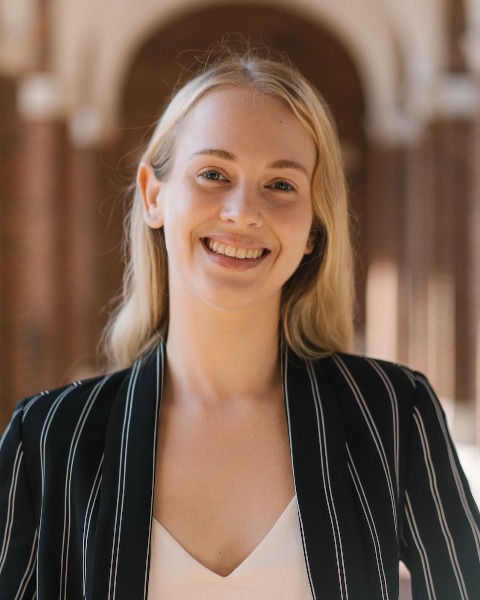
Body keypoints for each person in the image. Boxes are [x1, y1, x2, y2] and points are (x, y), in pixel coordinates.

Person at [1, 49, 479, 600]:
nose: (243, 211)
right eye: (213, 174)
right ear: (154, 196)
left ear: (313, 229)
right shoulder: (49, 439)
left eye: (281, 185)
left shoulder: (392, 414)